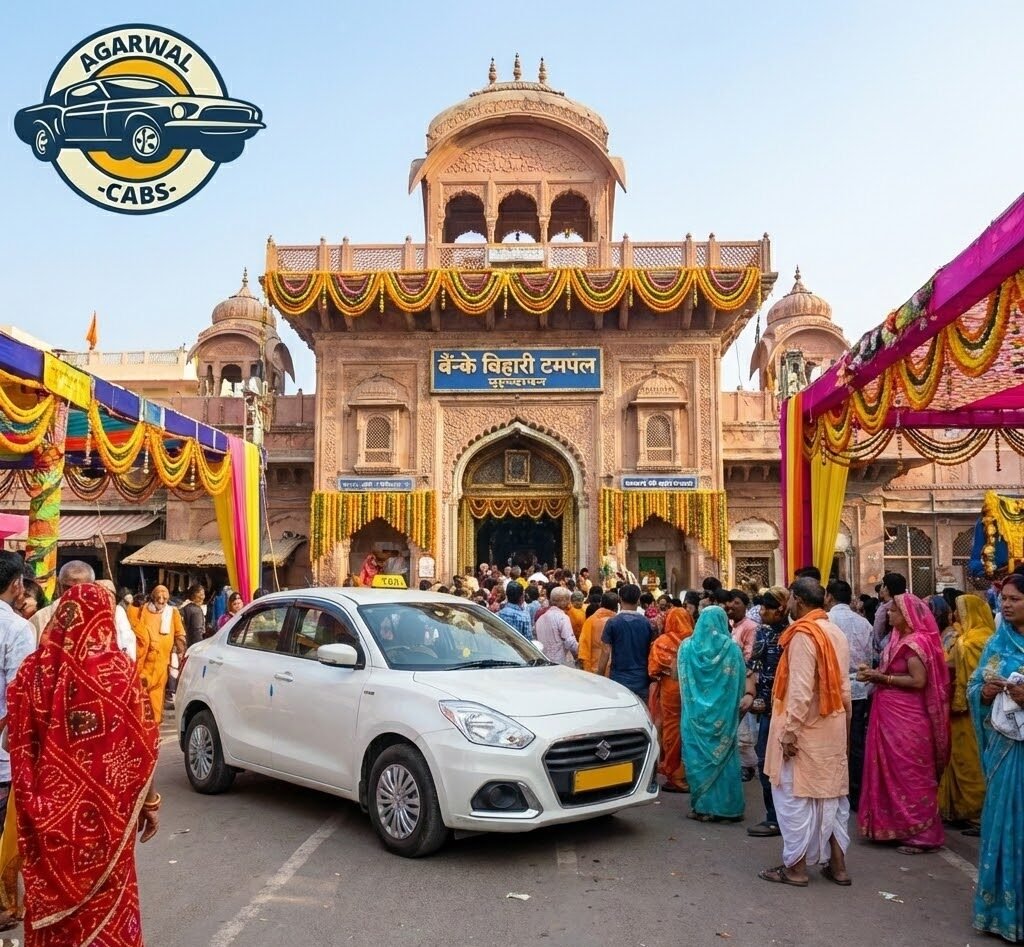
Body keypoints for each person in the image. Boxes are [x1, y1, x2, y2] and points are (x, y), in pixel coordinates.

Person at [7, 582, 160, 946]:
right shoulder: (121, 674)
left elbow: (8, 740)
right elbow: (144, 744)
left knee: (53, 914)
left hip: (50, 819)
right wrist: (150, 803)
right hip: (109, 817)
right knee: (112, 900)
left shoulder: (33, 673)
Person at [759, 577, 852, 887]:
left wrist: (789, 732)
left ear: (797, 600)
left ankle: (796, 869)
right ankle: (838, 868)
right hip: (833, 724)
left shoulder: (802, 635)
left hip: (805, 729)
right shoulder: (834, 631)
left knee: (794, 797)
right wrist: (846, 726)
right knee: (831, 797)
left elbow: (799, 690)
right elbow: (844, 688)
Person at [858, 592, 950, 854]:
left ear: (908, 615)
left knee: (910, 772)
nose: (889, 615)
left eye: (894, 611)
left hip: (907, 718)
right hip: (890, 714)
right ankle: (893, 827)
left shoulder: (915, 643)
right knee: (891, 771)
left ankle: (923, 834)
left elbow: (918, 681)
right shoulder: (900, 639)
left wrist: (881, 678)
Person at [968, 573, 1024, 942]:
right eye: (1003, 597)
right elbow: (973, 687)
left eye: (1014, 599)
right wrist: (985, 693)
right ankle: (1000, 913)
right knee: (1005, 825)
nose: (1005, 604)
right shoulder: (996, 644)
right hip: (1006, 753)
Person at [678, 605, 746, 822]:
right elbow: (740, 684)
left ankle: (702, 808)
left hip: (694, 716)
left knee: (696, 758)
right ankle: (728, 809)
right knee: (725, 759)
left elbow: (676, 676)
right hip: (723, 719)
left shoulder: (686, 648)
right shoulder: (733, 650)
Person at [938, 593, 995, 826]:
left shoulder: (967, 641)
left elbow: (948, 664)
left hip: (968, 708)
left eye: (959, 611)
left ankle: (974, 810)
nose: (955, 614)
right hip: (985, 709)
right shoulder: (990, 637)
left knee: (967, 758)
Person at [825, 578, 874, 810]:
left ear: (829, 597)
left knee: (832, 740)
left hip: (833, 687)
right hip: (859, 687)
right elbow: (870, 657)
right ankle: (855, 792)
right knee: (855, 742)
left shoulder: (827, 621)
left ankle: (835, 790)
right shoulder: (864, 623)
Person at [746, 587, 790, 838]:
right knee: (765, 762)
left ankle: (788, 818)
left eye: (766, 608)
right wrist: (752, 695)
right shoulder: (762, 632)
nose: (762, 613)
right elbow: (753, 667)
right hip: (767, 710)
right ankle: (773, 817)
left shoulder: (794, 634)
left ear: (781, 609)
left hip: (789, 707)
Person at [648, 605, 694, 793]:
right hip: (693, 690)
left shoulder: (662, 641)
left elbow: (653, 669)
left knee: (672, 728)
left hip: (671, 689)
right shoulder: (695, 640)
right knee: (690, 727)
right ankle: (689, 773)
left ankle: (675, 774)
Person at [133, 585, 187, 723]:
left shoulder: (172, 612)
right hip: (144, 662)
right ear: (153, 597)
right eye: (159, 598)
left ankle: (154, 728)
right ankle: (141, 726)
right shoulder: (143, 609)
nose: (161, 601)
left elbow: (179, 633)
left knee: (157, 697)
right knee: (141, 696)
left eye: (164, 598)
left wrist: (181, 651)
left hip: (162, 663)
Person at [598, 584, 655, 699]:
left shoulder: (613, 623)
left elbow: (605, 652)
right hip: (642, 678)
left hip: (619, 678)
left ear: (620, 599)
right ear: (638, 600)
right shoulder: (646, 623)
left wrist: (599, 676)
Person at [28, 560, 95, 641]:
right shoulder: (41, 618)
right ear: (59, 586)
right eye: (69, 588)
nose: (74, 594)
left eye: (81, 589)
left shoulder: (102, 617)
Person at [533, 587, 578, 665]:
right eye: (568, 600)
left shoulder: (540, 619)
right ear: (564, 601)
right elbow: (570, 642)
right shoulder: (562, 618)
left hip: (544, 662)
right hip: (559, 664)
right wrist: (581, 651)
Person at [95, 579, 137, 662]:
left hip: (116, 658)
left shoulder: (118, 611)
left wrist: (128, 659)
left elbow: (127, 637)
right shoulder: (92, 611)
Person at [579, 592, 617, 674]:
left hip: (594, 667)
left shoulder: (590, 621)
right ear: (616, 607)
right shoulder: (618, 622)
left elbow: (584, 646)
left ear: (601, 604)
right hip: (614, 669)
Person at [872, 572, 906, 654]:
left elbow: (877, 634)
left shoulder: (884, 609)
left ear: (886, 589)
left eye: (882, 585)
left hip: (889, 649)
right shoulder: (906, 604)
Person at [180, 583, 208, 648]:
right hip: (192, 645)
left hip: (185, 642)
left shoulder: (185, 606)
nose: (203, 597)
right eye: (202, 594)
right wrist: (199, 647)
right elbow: (197, 631)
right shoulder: (196, 611)